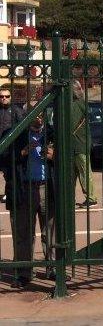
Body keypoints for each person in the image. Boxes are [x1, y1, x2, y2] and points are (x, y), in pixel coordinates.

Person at [7, 116, 56, 288]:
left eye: (41, 115)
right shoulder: (15, 133)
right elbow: (4, 159)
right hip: (24, 188)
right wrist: (22, 152)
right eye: (34, 115)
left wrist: (53, 155)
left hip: (46, 186)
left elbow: (70, 155)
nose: (38, 119)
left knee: (50, 230)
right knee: (24, 233)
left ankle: (54, 268)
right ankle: (24, 272)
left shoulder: (52, 133)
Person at [70, 80, 98, 208]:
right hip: (77, 144)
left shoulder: (77, 104)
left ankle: (91, 198)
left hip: (79, 144)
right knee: (73, 173)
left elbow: (71, 124)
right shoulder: (79, 103)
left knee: (84, 172)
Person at [0, 88, 25, 205]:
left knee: (10, 173)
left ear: (11, 97)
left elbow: (22, 129)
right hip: (1, 147)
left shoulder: (17, 111)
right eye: (1, 96)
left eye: (7, 96)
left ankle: (10, 194)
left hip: (11, 149)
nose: (4, 98)